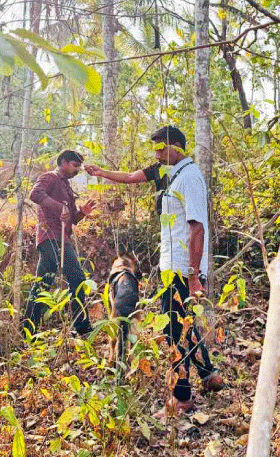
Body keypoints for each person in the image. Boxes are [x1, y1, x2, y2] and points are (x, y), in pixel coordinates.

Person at [86, 125, 225, 417]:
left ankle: (182, 398)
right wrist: (101, 173)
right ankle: (208, 374)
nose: (158, 154)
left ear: (177, 146)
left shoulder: (189, 178)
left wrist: (192, 276)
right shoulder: (168, 172)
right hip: (170, 266)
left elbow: (197, 228)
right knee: (183, 325)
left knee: (174, 330)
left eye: (162, 148)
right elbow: (130, 177)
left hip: (181, 270)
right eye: (156, 149)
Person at [23, 150, 96, 337]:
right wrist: (59, 206)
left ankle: (27, 331)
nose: (77, 169)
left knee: (43, 284)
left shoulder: (66, 187)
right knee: (77, 278)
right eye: (74, 165)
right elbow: (35, 194)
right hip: (51, 237)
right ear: (63, 162)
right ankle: (81, 326)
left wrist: (82, 213)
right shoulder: (50, 177)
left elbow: (71, 218)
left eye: (79, 166)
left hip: (61, 237)